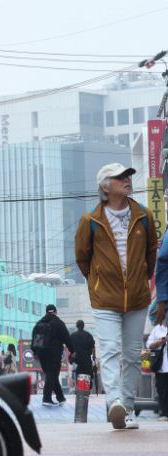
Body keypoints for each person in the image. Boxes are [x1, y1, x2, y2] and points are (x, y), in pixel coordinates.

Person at [75, 162, 158, 431]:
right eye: (120, 177)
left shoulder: (144, 216)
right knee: (110, 349)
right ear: (105, 186)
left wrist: (141, 279)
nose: (127, 179)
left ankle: (128, 408)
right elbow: (82, 258)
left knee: (133, 355)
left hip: (137, 298)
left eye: (128, 175)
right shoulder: (91, 221)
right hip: (105, 299)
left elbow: (151, 254)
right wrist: (97, 283)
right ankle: (114, 403)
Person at [31, 304, 73, 406]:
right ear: (55, 311)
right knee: (52, 374)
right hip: (54, 353)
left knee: (51, 375)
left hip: (42, 354)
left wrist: (35, 352)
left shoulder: (39, 323)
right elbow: (67, 338)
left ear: (46, 312)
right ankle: (46, 398)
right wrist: (73, 350)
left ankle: (61, 398)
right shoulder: (59, 323)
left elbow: (35, 339)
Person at [146, 319, 168, 419]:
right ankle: (164, 413)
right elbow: (148, 345)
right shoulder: (157, 329)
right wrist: (161, 341)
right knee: (162, 390)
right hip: (161, 367)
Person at [68, 319, 96, 390]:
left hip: (77, 360)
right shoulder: (88, 335)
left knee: (78, 375)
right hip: (86, 359)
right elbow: (93, 347)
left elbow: (69, 347)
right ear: (84, 326)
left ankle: (80, 389)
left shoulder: (73, 336)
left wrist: (71, 356)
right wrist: (94, 356)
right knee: (88, 375)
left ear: (76, 326)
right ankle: (87, 389)